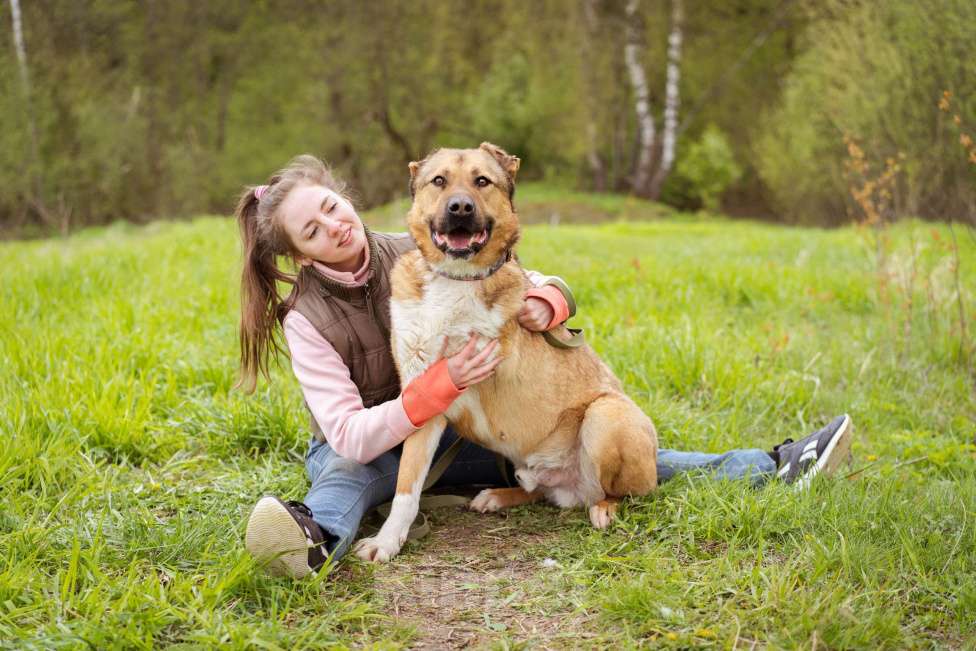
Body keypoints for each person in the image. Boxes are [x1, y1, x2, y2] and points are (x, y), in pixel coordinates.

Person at [237, 154, 855, 579]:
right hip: (370, 440)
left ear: (348, 200)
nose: (334, 229)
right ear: (298, 254)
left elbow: (532, 279)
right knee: (344, 478)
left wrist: (547, 299)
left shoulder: (419, 248)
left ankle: (774, 464)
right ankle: (313, 542)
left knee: (590, 449)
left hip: (451, 433)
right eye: (311, 231)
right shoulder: (304, 318)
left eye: (333, 209)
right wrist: (435, 389)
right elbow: (348, 431)